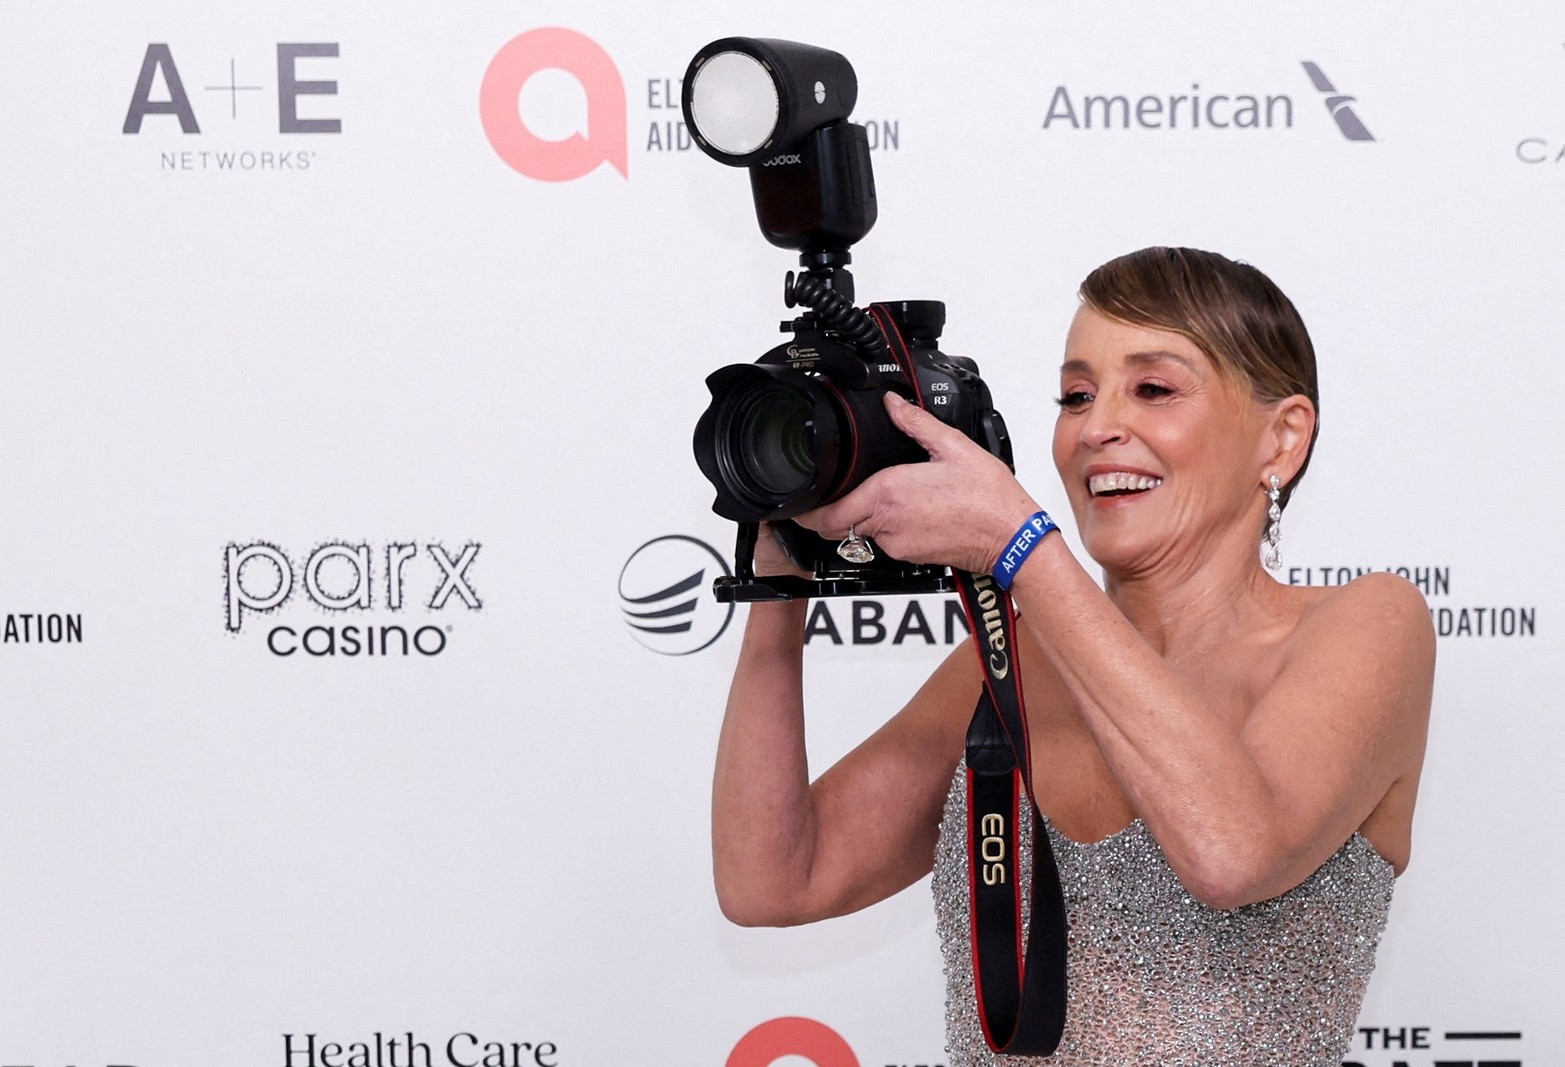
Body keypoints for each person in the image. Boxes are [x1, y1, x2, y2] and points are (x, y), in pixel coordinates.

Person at [709, 246, 1435, 1066]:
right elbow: (772, 879)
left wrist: (1019, 545)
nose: (1095, 429)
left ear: (1282, 438)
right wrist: (779, 583)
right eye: (1076, 396)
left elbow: (1231, 853)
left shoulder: (1368, 622)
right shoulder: (1006, 663)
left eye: (1152, 389)